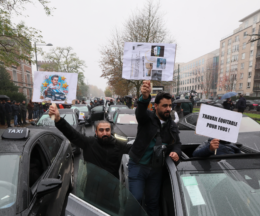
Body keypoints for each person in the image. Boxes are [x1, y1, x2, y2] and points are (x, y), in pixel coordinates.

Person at [128, 81, 181, 216]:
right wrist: (145, 97)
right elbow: (140, 112)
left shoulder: (172, 125)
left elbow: (177, 143)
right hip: (138, 166)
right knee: (136, 199)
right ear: (156, 106)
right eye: (165, 106)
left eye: (170, 106)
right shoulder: (147, 118)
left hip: (156, 170)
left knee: (153, 202)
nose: (168, 109)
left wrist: (176, 152)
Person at [49, 106, 131, 178]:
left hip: (112, 189)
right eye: (101, 130)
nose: (105, 133)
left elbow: (136, 149)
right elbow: (73, 134)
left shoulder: (118, 145)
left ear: (110, 131)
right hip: (92, 189)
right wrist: (58, 120)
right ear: (96, 132)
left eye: (107, 130)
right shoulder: (89, 143)